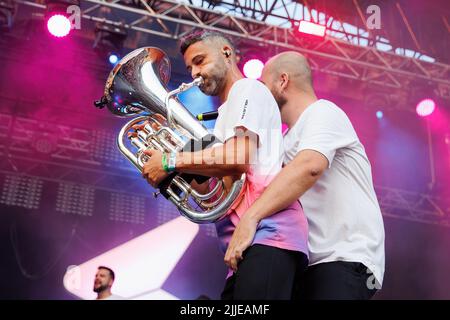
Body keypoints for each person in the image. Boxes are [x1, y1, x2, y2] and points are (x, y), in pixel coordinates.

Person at [141, 31, 309, 300]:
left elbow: (236, 159)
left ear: (227, 54)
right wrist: (172, 171)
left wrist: (168, 161)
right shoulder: (223, 116)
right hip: (245, 242)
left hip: (270, 234)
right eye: (190, 67)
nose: (195, 73)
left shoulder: (248, 89)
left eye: (200, 60)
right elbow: (215, 192)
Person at [224, 51, 385, 300]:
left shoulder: (323, 112)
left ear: (283, 81)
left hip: (343, 258)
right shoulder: (285, 139)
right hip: (306, 263)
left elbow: (310, 166)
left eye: (264, 86)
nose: (260, 97)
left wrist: (251, 218)